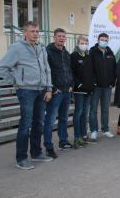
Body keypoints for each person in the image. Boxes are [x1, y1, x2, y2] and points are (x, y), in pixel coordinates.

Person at [0, 21, 53, 170]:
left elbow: (47, 69)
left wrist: (49, 88)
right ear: (25, 33)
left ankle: (36, 152)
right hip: (26, 91)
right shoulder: (16, 48)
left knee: (39, 123)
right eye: (32, 31)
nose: (36, 33)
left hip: (42, 90)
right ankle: (21, 158)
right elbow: (2, 68)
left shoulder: (41, 48)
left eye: (37, 31)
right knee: (25, 124)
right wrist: (16, 82)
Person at [44, 28, 74, 158]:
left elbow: (69, 70)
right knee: (50, 120)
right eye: (59, 36)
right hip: (56, 92)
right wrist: (53, 88)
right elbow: (46, 71)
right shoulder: (48, 52)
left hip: (67, 91)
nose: (62, 38)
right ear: (54, 37)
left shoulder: (66, 53)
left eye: (63, 36)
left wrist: (72, 85)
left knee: (63, 118)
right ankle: (48, 146)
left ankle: (63, 141)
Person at [89, 33, 116, 141]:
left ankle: (105, 129)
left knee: (105, 109)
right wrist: (93, 82)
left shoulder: (110, 52)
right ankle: (94, 130)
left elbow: (114, 68)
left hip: (107, 87)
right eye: (102, 39)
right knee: (93, 110)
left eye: (105, 40)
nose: (104, 41)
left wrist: (112, 82)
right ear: (98, 40)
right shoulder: (92, 52)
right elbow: (89, 69)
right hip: (96, 87)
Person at [71, 35, 94, 148]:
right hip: (79, 90)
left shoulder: (88, 56)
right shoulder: (74, 56)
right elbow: (72, 73)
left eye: (85, 42)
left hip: (88, 90)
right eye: (82, 42)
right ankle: (77, 136)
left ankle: (84, 135)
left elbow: (91, 72)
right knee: (78, 113)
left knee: (85, 113)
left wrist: (92, 84)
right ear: (78, 43)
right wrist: (78, 84)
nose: (84, 44)